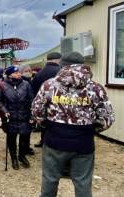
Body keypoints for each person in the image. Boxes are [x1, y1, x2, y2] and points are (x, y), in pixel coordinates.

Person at [32, 52, 115, 197]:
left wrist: (48, 125)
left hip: (54, 141)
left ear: (62, 64)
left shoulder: (49, 85)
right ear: (83, 65)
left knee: (50, 180)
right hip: (83, 143)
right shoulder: (96, 88)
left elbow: (36, 111)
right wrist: (91, 130)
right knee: (82, 183)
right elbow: (107, 119)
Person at [0, 65, 34, 170]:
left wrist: (32, 115)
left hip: (24, 115)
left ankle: (22, 156)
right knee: (11, 138)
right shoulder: (1, 85)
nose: (19, 74)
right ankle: (13, 158)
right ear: (9, 74)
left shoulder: (26, 84)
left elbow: (31, 100)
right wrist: (4, 111)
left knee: (24, 137)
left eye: (19, 72)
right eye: (16, 73)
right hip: (10, 116)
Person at [32, 52, 62, 148]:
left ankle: (44, 141)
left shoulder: (39, 73)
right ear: (58, 60)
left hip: (43, 102)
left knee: (44, 123)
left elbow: (33, 89)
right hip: (59, 103)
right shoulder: (61, 71)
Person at [19, 64, 36, 156]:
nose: (29, 72)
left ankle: (26, 147)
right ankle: (24, 149)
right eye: (26, 71)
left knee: (28, 131)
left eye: (30, 71)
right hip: (24, 110)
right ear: (21, 72)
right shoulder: (22, 82)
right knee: (24, 131)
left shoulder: (30, 80)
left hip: (29, 109)